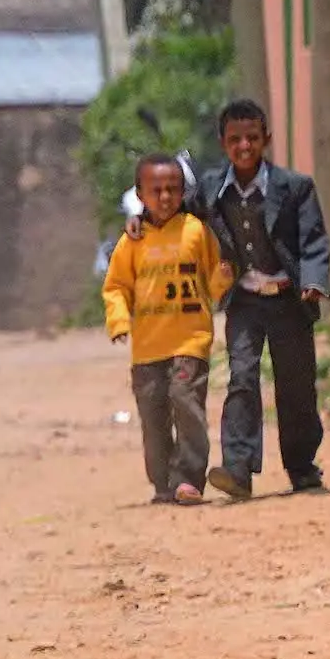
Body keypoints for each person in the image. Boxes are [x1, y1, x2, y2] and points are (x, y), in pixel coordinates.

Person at [195, 100, 330, 499]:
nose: (244, 146)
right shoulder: (211, 188)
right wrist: (141, 220)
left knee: (297, 386)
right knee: (242, 377)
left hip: (289, 301)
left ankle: (302, 467)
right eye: (235, 139)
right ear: (222, 143)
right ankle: (237, 468)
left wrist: (314, 281)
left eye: (252, 138)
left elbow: (313, 241)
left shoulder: (295, 187)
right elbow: (178, 212)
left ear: (266, 139)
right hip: (245, 301)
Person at [104, 152, 221, 506]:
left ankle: (188, 478)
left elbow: (213, 273)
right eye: (157, 190)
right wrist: (119, 319)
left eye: (173, 189)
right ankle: (162, 481)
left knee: (187, 405)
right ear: (140, 195)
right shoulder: (132, 242)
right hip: (148, 347)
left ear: (183, 191)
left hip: (190, 339)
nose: (165, 197)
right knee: (153, 418)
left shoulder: (195, 231)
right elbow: (116, 286)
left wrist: (223, 283)